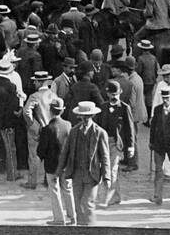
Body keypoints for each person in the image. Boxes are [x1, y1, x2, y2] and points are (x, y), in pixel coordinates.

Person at [58, 101, 110, 226]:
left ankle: (91, 229)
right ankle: (82, 229)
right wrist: (59, 171)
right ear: (79, 116)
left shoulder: (100, 133)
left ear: (92, 116)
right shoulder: (74, 131)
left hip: (92, 175)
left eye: (88, 117)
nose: (86, 119)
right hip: (76, 174)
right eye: (84, 117)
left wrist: (107, 177)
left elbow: (105, 156)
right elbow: (65, 152)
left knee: (87, 203)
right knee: (77, 204)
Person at [97, 80, 135, 208]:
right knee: (106, 169)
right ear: (107, 94)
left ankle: (110, 197)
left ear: (120, 94)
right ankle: (116, 196)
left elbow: (130, 129)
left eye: (116, 94)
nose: (114, 97)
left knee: (112, 170)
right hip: (103, 143)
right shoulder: (102, 107)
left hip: (116, 143)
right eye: (112, 94)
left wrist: (131, 146)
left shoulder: (125, 108)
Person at [38, 96, 75, 225]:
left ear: (50, 110)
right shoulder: (68, 125)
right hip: (66, 165)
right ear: (62, 110)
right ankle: (72, 216)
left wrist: (41, 157)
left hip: (52, 166)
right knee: (68, 190)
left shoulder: (47, 129)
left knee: (54, 191)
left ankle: (59, 219)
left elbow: (41, 150)